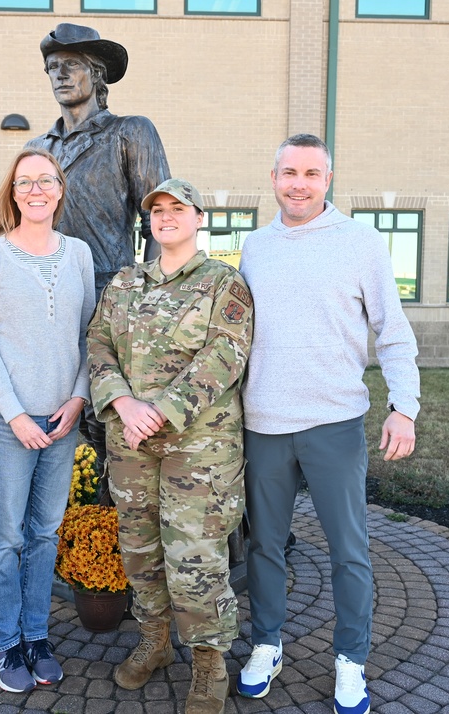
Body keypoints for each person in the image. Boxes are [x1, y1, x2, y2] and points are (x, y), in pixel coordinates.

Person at [235, 134, 420, 714]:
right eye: (289, 172)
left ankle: (350, 661)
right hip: (264, 422)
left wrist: (404, 406)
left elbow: (392, 330)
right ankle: (266, 644)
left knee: (349, 549)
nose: (299, 183)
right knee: (265, 545)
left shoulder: (361, 244)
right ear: (272, 178)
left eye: (311, 173)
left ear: (328, 179)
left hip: (334, 422)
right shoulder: (254, 247)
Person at [87, 178, 253, 714]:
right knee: (139, 551)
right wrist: (124, 406)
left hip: (197, 449)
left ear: (198, 217)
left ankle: (208, 664)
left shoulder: (223, 283)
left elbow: (225, 354)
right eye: (156, 210)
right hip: (131, 443)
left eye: (176, 208)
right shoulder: (124, 283)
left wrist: (162, 410)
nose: (165, 216)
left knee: (197, 559)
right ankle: (155, 640)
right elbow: (98, 346)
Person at [0, 148, 96, 694]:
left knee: (45, 534)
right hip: (7, 420)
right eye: (24, 182)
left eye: (46, 180)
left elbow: (93, 336)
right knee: (4, 538)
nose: (35, 190)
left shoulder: (80, 254)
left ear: (60, 189)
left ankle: (36, 637)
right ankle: (5, 643)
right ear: (12, 192)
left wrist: (80, 398)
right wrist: (14, 413)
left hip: (63, 418)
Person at [27, 22, 171, 486]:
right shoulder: (38, 149)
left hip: (115, 294)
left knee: (116, 414)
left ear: (97, 74)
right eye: (52, 67)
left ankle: (122, 517)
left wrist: (146, 295)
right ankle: (72, 517)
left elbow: (159, 219)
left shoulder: (130, 133)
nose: (59, 75)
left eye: (70, 65)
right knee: (59, 410)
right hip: (50, 301)